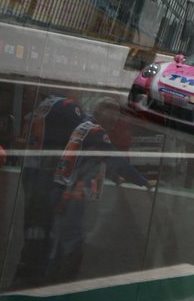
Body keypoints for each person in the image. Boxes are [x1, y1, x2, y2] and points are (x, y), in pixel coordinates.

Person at [48, 97, 149, 283]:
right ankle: (62, 285)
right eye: (111, 115)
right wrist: (144, 181)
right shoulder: (96, 131)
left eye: (116, 116)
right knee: (70, 243)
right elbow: (115, 160)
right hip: (72, 194)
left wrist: (114, 177)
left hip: (61, 189)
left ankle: (53, 281)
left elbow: (95, 159)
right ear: (100, 112)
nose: (114, 120)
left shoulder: (84, 125)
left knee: (58, 241)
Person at [13, 92, 85, 287]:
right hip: (47, 178)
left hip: (34, 176)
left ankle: (24, 281)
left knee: (34, 236)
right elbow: (86, 132)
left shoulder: (42, 107)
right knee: (45, 240)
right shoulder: (66, 106)